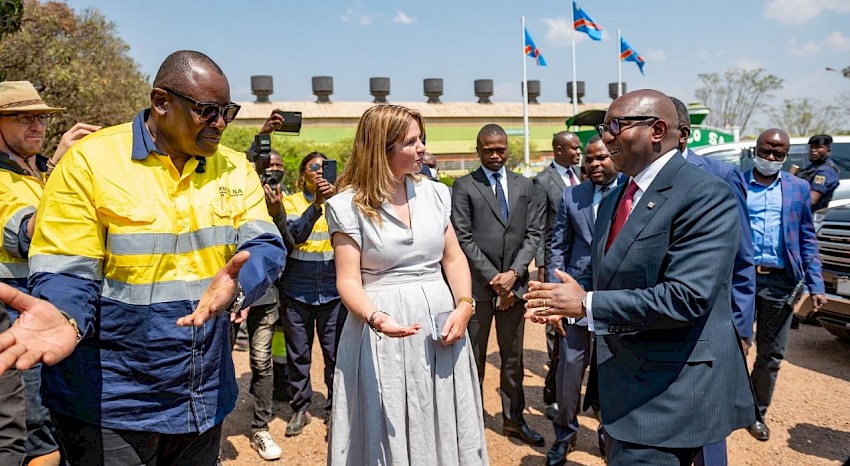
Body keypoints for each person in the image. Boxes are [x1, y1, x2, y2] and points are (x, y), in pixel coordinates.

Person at [26, 50, 286, 465]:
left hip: (202, 394)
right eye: (207, 111)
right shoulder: (90, 162)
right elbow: (67, 270)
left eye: (227, 112)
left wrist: (239, 284)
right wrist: (64, 317)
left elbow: (266, 245)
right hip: (112, 401)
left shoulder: (234, 168)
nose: (220, 124)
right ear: (161, 102)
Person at [524, 89, 756, 465]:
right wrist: (565, 302)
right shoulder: (615, 200)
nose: (605, 137)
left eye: (616, 126)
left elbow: (686, 298)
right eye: (603, 128)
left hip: (672, 397)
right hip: (624, 388)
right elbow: (609, 277)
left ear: (657, 130)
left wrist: (586, 304)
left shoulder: (705, 194)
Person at [325, 104, 487, 465]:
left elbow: (453, 258)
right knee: (388, 415)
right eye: (411, 142)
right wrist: (376, 318)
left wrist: (465, 305)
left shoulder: (436, 193)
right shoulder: (346, 206)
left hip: (440, 323)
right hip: (381, 328)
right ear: (381, 149)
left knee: (441, 412)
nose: (421, 148)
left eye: (421, 139)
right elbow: (348, 280)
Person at [0, 80, 99, 466]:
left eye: (41, 117)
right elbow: (26, 235)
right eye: (23, 117)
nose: (37, 125)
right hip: (18, 323)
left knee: (63, 421)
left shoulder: (43, 170)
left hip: (59, 316)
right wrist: (68, 176)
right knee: (32, 431)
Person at [670, 97, 757, 466]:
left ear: (682, 134)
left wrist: (741, 325)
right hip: (659, 322)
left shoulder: (720, 175)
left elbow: (743, 256)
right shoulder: (633, 179)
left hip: (711, 324)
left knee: (707, 431)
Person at [451, 124, 545, 446]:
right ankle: (470, 424)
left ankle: (513, 420)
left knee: (513, 359)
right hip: (479, 288)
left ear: (507, 149)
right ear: (478, 150)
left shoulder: (525, 185)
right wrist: (496, 280)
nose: (495, 155)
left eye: (500, 149)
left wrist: (514, 274)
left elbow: (534, 233)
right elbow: (463, 237)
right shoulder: (464, 186)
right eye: (488, 149)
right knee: (473, 359)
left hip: (515, 288)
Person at [744, 128, 826, 442]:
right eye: (765, 151)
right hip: (741, 280)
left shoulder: (798, 188)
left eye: (778, 154)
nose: (770, 158)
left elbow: (807, 238)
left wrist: (816, 284)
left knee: (771, 354)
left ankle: (756, 413)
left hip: (781, 282)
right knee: (732, 347)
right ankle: (727, 406)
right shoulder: (737, 184)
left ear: (786, 156)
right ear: (755, 150)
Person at [542, 134, 619, 466]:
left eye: (602, 157)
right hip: (574, 294)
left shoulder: (630, 192)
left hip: (615, 297)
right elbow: (557, 247)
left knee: (613, 371)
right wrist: (554, 299)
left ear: (615, 156)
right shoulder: (572, 195)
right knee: (570, 369)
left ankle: (609, 435)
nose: (595, 164)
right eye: (589, 159)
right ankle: (565, 435)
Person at [280, 152, 345, 437]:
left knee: (335, 355)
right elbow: (295, 235)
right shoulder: (291, 202)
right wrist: (317, 205)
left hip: (333, 291)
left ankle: (335, 409)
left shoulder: (342, 202)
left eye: (324, 166)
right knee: (298, 354)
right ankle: (300, 408)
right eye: (313, 167)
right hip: (297, 291)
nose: (319, 171)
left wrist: (331, 200)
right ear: (302, 174)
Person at [532, 130, 582, 422]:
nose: (578, 152)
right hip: (555, 263)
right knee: (556, 330)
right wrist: (542, 266)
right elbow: (539, 226)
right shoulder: (543, 181)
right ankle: (552, 395)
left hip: (579, 264)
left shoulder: (582, 176)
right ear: (559, 150)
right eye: (574, 148)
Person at [798, 134, 840, 212]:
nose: (813, 150)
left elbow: (812, 199)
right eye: (811, 147)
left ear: (828, 150)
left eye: (818, 147)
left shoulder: (824, 172)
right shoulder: (814, 166)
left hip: (810, 214)